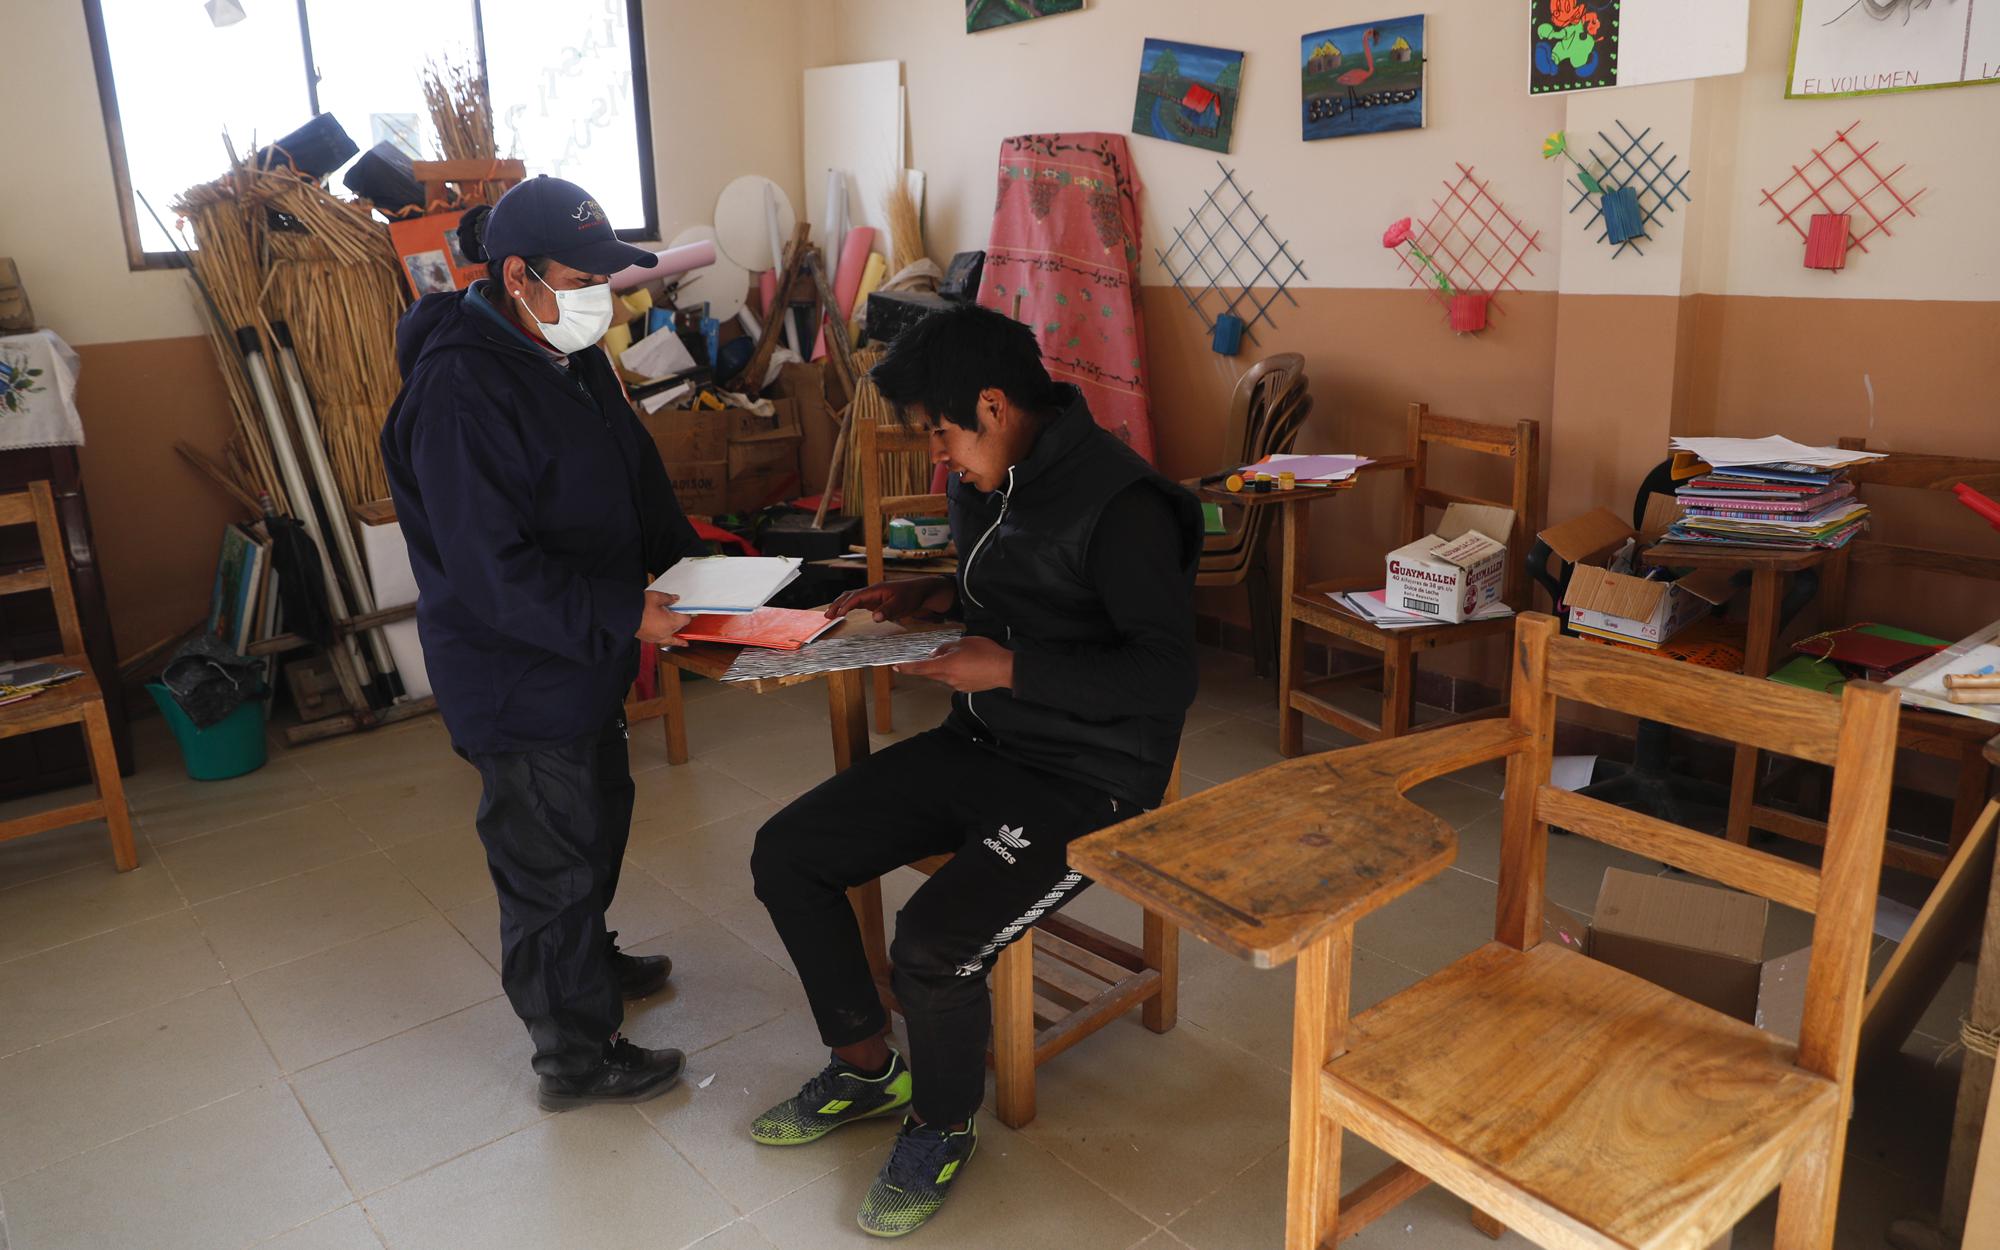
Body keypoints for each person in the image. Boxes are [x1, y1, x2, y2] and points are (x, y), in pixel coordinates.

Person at [747, 304, 1200, 1237]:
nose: (937, 456)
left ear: (993, 405)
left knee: (932, 945)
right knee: (786, 852)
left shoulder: (1125, 505)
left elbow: (1166, 675)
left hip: (1093, 777)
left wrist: (1009, 668)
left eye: (940, 430)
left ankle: (941, 1126)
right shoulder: (990, 477)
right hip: (985, 742)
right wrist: (928, 594)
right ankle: (868, 1069)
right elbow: (1016, 586)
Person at [381, 176, 702, 1111]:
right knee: (548, 856)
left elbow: (630, 469)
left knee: (597, 814)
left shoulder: (567, 350)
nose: (604, 297)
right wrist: (623, 612)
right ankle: (574, 1051)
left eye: (610, 277)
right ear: (517, 276)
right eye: (584, 277)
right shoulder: (458, 390)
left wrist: (692, 568)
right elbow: (490, 572)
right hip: (513, 671)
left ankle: (586, 961)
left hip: (581, 654)